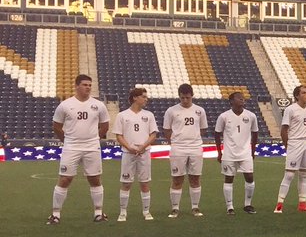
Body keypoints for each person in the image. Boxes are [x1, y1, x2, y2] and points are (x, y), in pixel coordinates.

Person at [48, 74, 110, 224]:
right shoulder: (65, 105)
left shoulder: (98, 105)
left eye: (89, 85)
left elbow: (105, 125)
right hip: (72, 146)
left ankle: (98, 212)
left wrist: (95, 138)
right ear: (76, 86)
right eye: (84, 84)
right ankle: (56, 214)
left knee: (94, 178)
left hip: (92, 147)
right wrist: (67, 140)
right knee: (65, 178)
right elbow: (56, 126)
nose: (88, 87)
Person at [113, 87, 159, 222]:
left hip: (144, 153)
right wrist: (129, 147)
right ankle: (122, 212)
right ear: (135, 98)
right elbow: (119, 135)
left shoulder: (149, 115)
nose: (146, 99)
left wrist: (143, 147)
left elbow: (153, 134)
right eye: (143, 97)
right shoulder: (122, 115)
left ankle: (146, 211)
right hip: (128, 153)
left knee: (145, 183)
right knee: (126, 183)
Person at [162, 83, 208, 218]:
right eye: (182, 98)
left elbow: (203, 129)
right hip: (178, 148)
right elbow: (166, 130)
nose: (185, 100)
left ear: (192, 96)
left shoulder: (200, 110)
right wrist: (175, 142)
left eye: (187, 98)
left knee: (195, 178)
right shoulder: (171, 111)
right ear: (179, 96)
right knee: (177, 178)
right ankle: (175, 208)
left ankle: (195, 207)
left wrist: (193, 137)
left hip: (195, 147)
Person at [214, 91, 259, 214]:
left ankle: (248, 205)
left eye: (243, 98)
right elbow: (217, 134)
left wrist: (253, 151)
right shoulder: (224, 116)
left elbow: (255, 133)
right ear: (231, 101)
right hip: (229, 153)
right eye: (239, 98)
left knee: (250, 177)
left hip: (245, 153)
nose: (242, 99)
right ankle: (230, 207)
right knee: (229, 178)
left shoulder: (251, 116)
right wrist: (219, 152)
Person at [276, 85, 306, 213]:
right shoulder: (290, 109)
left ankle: (302, 204)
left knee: (304, 174)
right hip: (295, 143)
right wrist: (287, 145)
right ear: (297, 96)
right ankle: (279, 205)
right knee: (289, 174)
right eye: (304, 93)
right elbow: (284, 130)